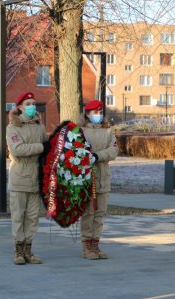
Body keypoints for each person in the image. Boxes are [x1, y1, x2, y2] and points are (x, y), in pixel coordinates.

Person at [6, 92, 47, 265]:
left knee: (33, 217)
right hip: (20, 175)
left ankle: (28, 249)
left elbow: (47, 148)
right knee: (18, 215)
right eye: (28, 103)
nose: (31, 106)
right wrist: (41, 147)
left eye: (33, 103)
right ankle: (18, 250)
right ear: (20, 107)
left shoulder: (39, 127)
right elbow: (18, 150)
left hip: (36, 177)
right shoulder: (13, 127)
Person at [78, 100, 118, 260]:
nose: (98, 115)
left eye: (100, 112)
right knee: (88, 213)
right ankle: (87, 244)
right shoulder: (80, 131)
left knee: (100, 213)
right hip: (86, 177)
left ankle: (95, 243)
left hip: (103, 177)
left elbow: (113, 150)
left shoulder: (108, 131)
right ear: (87, 114)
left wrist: (97, 155)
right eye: (95, 112)